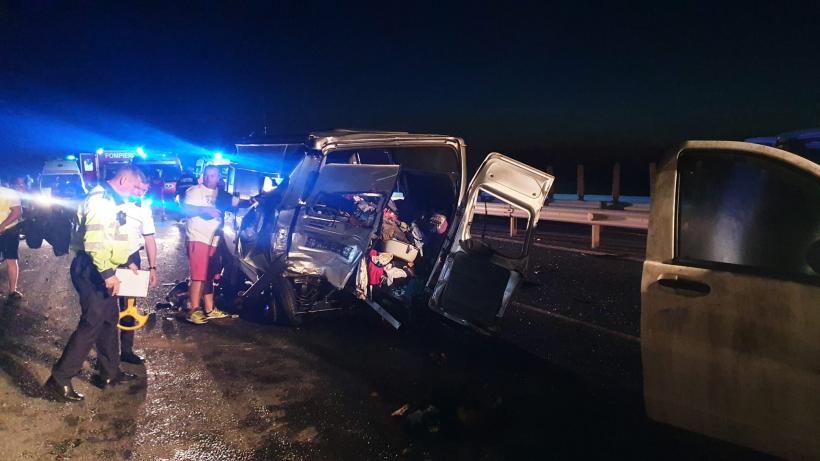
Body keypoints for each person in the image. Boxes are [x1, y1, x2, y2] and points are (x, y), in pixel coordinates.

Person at [44, 165, 142, 402]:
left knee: (109, 320)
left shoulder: (113, 201)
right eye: (136, 186)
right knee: (92, 323)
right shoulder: (100, 201)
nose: (138, 191)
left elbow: (113, 238)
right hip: (93, 269)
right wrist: (109, 274)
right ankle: (59, 379)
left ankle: (109, 374)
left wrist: (127, 260)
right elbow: (95, 242)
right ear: (123, 179)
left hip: (103, 267)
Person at [118, 176, 159, 365]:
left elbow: (149, 238)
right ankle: (106, 356)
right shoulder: (111, 202)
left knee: (129, 308)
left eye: (144, 190)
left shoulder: (143, 208)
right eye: (138, 189)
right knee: (107, 310)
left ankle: (126, 351)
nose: (140, 194)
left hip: (133, 258)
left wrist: (153, 267)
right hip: (110, 260)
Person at [182, 165, 229, 324]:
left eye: (213, 175)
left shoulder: (221, 194)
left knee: (209, 275)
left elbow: (236, 201)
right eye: (207, 175)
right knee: (198, 276)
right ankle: (193, 310)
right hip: (198, 238)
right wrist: (205, 210)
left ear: (218, 177)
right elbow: (186, 209)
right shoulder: (194, 191)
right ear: (203, 176)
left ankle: (209, 309)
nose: (210, 178)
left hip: (214, 240)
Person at [0, 178, 23, 299]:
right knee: (11, 260)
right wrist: (3, 226)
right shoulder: (10, 193)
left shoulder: (10, 193)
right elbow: (17, 212)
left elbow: (17, 212)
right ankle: (12, 291)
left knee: (11, 260)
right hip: (10, 230)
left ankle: (13, 290)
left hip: (9, 231)